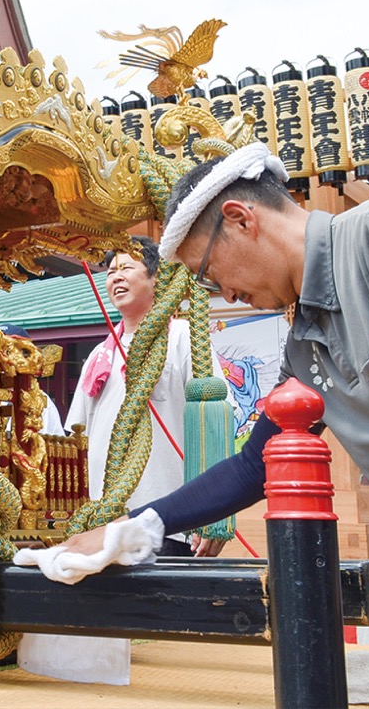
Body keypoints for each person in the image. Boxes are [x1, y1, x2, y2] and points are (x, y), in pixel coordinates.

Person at [56, 143, 369, 707]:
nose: (226, 295)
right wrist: (135, 527)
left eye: (210, 274)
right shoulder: (306, 349)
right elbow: (255, 466)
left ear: (240, 219)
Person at [65, 236, 224, 557]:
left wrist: (215, 513)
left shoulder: (183, 338)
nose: (116, 277)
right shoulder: (99, 355)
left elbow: (213, 422)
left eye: (126, 268)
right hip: (105, 522)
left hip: (169, 520)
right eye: (111, 272)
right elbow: (78, 436)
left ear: (156, 278)